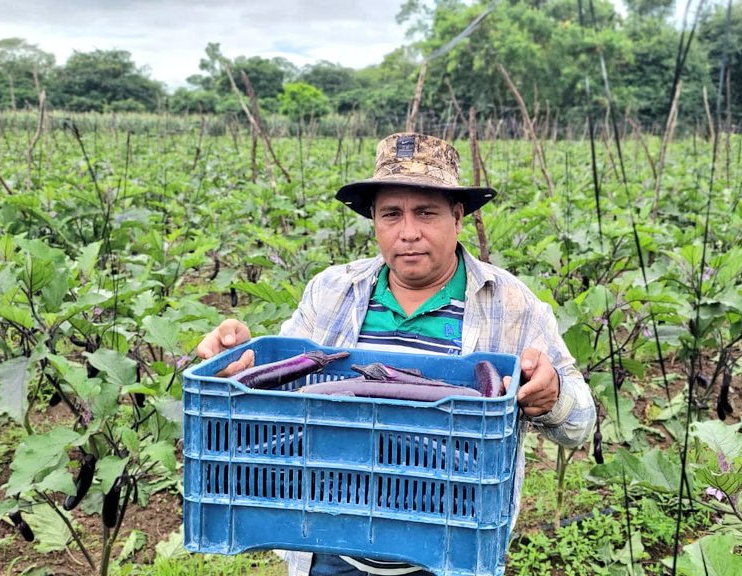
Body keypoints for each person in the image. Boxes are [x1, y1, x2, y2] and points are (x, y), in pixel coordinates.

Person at [196, 132, 596, 576]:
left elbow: (581, 425)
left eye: (426, 213)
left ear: (457, 217)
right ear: (374, 222)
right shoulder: (330, 292)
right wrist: (238, 368)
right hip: (329, 543)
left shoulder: (512, 305)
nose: (408, 232)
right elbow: (279, 391)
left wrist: (553, 395)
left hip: (452, 546)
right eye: (391, 214)